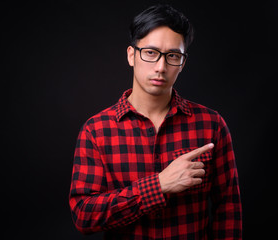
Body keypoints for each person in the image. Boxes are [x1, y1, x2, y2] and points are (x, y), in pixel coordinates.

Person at [69, 4, 242, 239]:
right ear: (132, 55)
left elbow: (228, 208)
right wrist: (158, 186)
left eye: (172, 56)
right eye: (150, 53)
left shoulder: (211, 124)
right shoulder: (97, 130)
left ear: (182, 63)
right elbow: (83, 216)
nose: (161, 67)